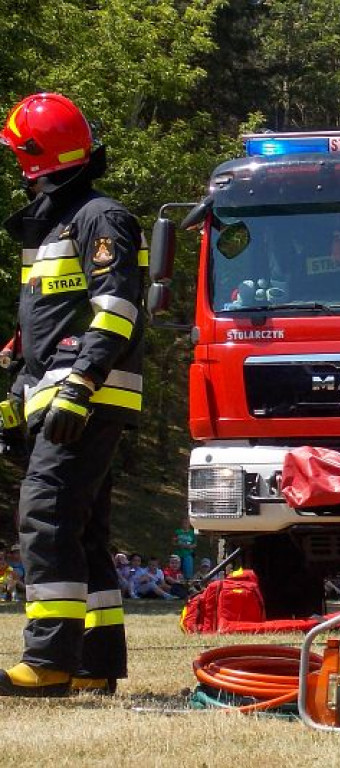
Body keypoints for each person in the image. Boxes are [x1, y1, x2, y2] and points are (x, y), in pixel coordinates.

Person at [0, 93, 145, 697]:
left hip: (83, 394)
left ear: (34, 158)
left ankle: (49, 662)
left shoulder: (99, 218)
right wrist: (15, 398)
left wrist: (81, 383)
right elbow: (42, 330)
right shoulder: (56, 226)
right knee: (82, 530)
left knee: (46, 516)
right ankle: (93, 663)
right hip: (62, 393)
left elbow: (116, 309)